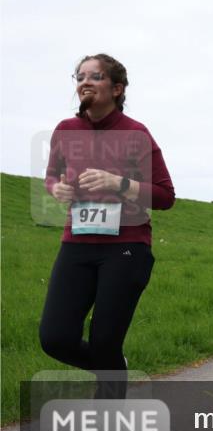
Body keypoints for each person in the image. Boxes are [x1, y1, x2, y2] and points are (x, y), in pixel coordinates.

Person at [40, 53, 175, 399]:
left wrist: (119, 183)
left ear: (117, 88)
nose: (85, 81)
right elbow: (51, 178)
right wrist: (59, 189)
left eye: (95, 76)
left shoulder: (136, 133)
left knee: (104, 341)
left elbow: (164, 195)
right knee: (54, 338)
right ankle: (114, 366)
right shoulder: (65, 131)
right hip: (76, 245)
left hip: (126, 248)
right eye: (79, 76)